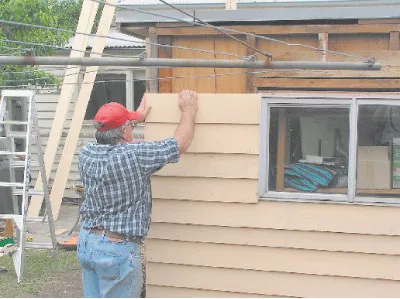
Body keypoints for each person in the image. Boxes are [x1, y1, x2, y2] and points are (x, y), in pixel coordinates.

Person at [77, 90, 198, 298]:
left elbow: (124, 145)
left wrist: (133, 119)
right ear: (124, 131)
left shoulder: (86, 152)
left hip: (87, 242)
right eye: (131, 126)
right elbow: (180, 144)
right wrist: (188, 110)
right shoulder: (135, 156)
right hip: (115, 250)